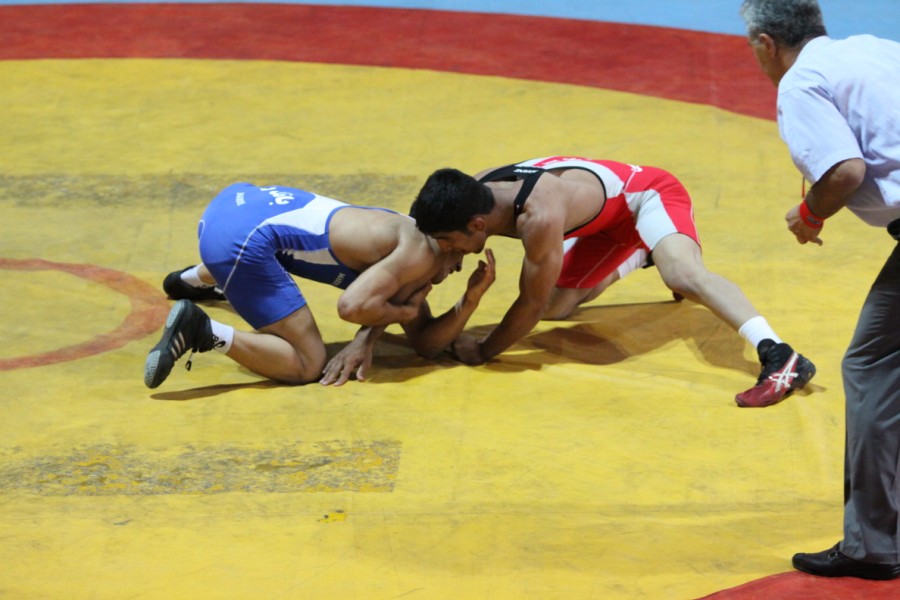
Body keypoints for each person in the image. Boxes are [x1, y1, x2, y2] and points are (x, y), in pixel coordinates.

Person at [409, 156, 816, 407]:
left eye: (448, 241)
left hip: (647, 196)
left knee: (683, 275)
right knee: (555, 307)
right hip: (602, 222)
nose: (446, 249)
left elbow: (527, 304)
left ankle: (779, 355)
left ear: (478, 225)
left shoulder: (539, 215)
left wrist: (484, 350)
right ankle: (644, 251)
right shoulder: (475, 190)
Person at [740, 0, 900, 580]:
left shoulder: (801, 81)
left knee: (873, 365)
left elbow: (844, 172)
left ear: (766, 43)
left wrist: (810, 214)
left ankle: (873, 545)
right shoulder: (876, 49)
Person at [144, 182, 495, 389]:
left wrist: (470, 300)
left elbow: (425, 342)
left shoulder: (405, 232)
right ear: (445, 241)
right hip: (239, 241)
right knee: (307, 364)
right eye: (461, 254)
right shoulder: (422, 257)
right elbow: (352, 307)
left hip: (234, 205)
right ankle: (202, 330)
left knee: (283, 245)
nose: (459, 266)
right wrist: (393, 318)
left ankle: (191, 280)